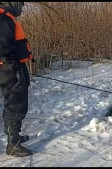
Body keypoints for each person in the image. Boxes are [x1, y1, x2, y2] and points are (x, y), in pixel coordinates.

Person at [0, 2, 35, 157]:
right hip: (9, 69)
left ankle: (14, 137)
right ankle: (12, 144)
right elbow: (4, 49)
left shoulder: (8, 17)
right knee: (15, 104)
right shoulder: (3, 18)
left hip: (14, 66)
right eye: (20, 4)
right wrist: (15, 69)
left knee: (17, 102)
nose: (22, 7)